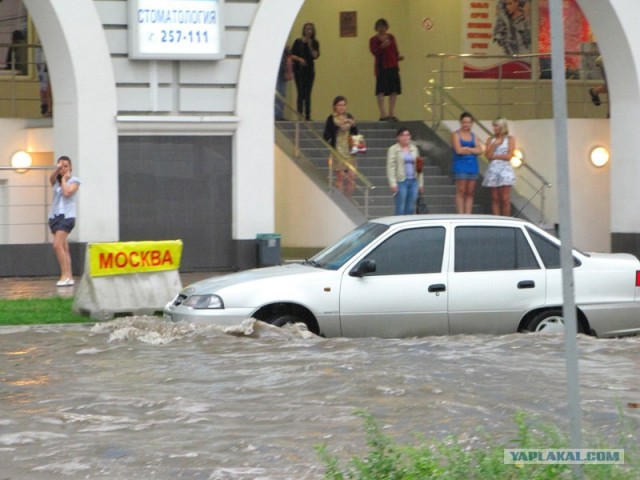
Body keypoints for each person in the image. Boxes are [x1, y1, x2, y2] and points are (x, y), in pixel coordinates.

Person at [48, 156, 81, 287]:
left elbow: (67, 192)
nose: (63, 168)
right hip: (55, 216)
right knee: (64, 247)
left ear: (70, 168)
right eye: (61, 166)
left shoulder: (74, 180)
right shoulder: (56, 181)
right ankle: (70, 276)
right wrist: (57, 172)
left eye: (66, 166)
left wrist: (64, 179)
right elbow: (50, 179)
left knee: (57, 245)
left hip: (67, 217)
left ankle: (64, 275)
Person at [323, 96, 358, 197]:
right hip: (338, 150)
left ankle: (349, 199)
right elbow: (326, 135)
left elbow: (355, 134)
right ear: (335, 106)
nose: (342, 107)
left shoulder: (349, 116)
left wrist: (353, 125)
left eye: (344, 105)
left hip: (349, 150)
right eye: (339, 105)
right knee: (340, 177)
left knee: (352, 176)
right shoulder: (331, 118)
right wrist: (338, 126)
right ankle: (341, 200)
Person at [369, 18, 403, 122]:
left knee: (394, 90)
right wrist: (382, 46)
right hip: (381, 67)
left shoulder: (391, 37)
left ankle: (391, 113)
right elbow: (374, 52)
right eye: (379, 27)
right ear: (376, 28)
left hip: (392, 66)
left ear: (386, 27)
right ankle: (383, 114)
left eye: (383, 26)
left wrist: (398, 57)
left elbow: (395, 50)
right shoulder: (373, 40)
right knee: (381, 91)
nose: (381, 29)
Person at [482, 117, 516, 216]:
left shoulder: (510, 139)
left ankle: (507, 219)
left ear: (502, 127)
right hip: (493, 170)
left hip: (505, 169)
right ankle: (497, 218)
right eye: (494, 126)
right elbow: (487, 156)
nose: (494, 128)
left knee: (505, 197)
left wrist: (495, 156)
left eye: (496, 126)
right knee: (495, 197)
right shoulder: (490, 140)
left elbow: (509, 156)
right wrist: (494, 145)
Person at [451, 112, 484, 214]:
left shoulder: (474, 136)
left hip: (472, 166)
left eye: (468, 122)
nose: (466, 124)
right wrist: (473, 149)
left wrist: (467, 148)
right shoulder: (455, 134)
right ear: (460, 122)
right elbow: (458, 150)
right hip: (460, 165)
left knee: (470, 192)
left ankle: (468, 215)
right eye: (464, 122)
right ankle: (461, 214)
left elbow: (480, 150)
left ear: (472, 123)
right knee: (461, 190)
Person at [387, 127, 424, 215]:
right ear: (398, 137)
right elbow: (391, 167)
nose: (405, 137)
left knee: (410, 207)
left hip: (414, 181)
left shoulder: (414, 148)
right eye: (402, 135)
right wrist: (393, 183)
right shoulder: (393, 149)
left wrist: (421, 183)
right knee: (400, 207)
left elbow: (419, 167)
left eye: (407, 135)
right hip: (401, 181)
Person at [290, 22, 320, 121]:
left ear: (313, 31)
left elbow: (315, 56)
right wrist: (300, 59)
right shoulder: (298, 42)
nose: (308, 31)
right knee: (300, 93)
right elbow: (292, 55)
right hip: (299, 71)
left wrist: (310, 45)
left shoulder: (315, 42)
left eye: (310, 29)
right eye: (307, 29)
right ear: (304, 30)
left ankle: (308, 116)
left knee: (308, 94)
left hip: (309, 71)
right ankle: (299, 116)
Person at [275, 45, 292, 120]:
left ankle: (279, 114)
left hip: (282, 72)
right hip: (278, 72)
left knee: (282, 95)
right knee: (278, 94)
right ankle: (277, 114)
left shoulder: (285, 51)